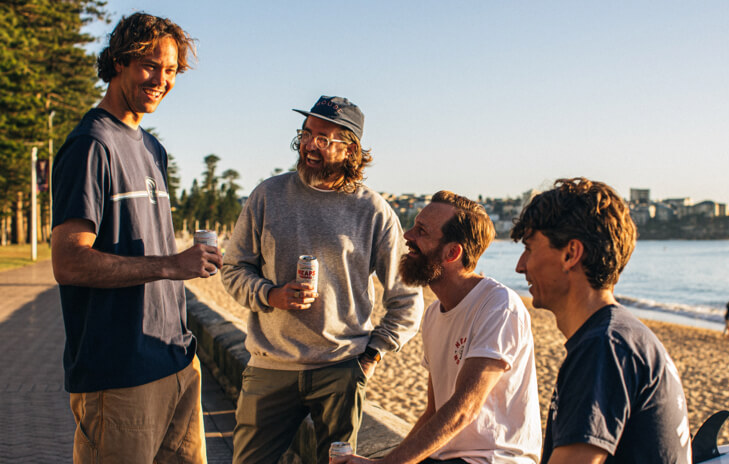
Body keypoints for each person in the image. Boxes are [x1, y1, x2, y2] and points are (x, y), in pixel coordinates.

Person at [51, 13, 220, 463]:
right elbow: (68, 262)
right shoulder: (91, 145)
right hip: (119, 373)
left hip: (178, 363)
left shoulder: (151, 148)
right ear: (119, 62)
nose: (161, 80)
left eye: (170, 71)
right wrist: (171, 265)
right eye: (150, 65)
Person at [221, 95, 424, 463]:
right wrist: (270, 295)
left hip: (340, 370)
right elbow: (233, 268)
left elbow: (407, 297)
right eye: (307, 133)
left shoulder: (373, 210)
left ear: (351, 150)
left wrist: (373, 355)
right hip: (270, 365)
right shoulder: (268, 195)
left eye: (324, 139)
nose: (310, 145)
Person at [336, 191, 542, 464]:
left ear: (452, 252)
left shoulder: (498, 305)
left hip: (493, 458)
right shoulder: (434, 313)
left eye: (421, 231)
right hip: (448, 458)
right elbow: (434, 412)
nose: (407, 236)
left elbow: (463, 410)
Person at [511, 178, 692, 464]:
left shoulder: (604, 347)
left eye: (530, 249)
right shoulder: (623, 336)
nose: (520, 265)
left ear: (571, 253)